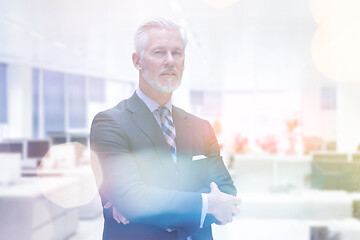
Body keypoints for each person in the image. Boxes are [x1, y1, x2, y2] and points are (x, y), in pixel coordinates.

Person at [90, 17, 240, 240]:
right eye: (159, 52)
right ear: (137, 60)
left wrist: (151, 207)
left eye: (177, 53)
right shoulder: (110, 123)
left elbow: (227, 193)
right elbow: (132, 198)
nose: (170, 61)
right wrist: (207, 204)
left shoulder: (201, 128)